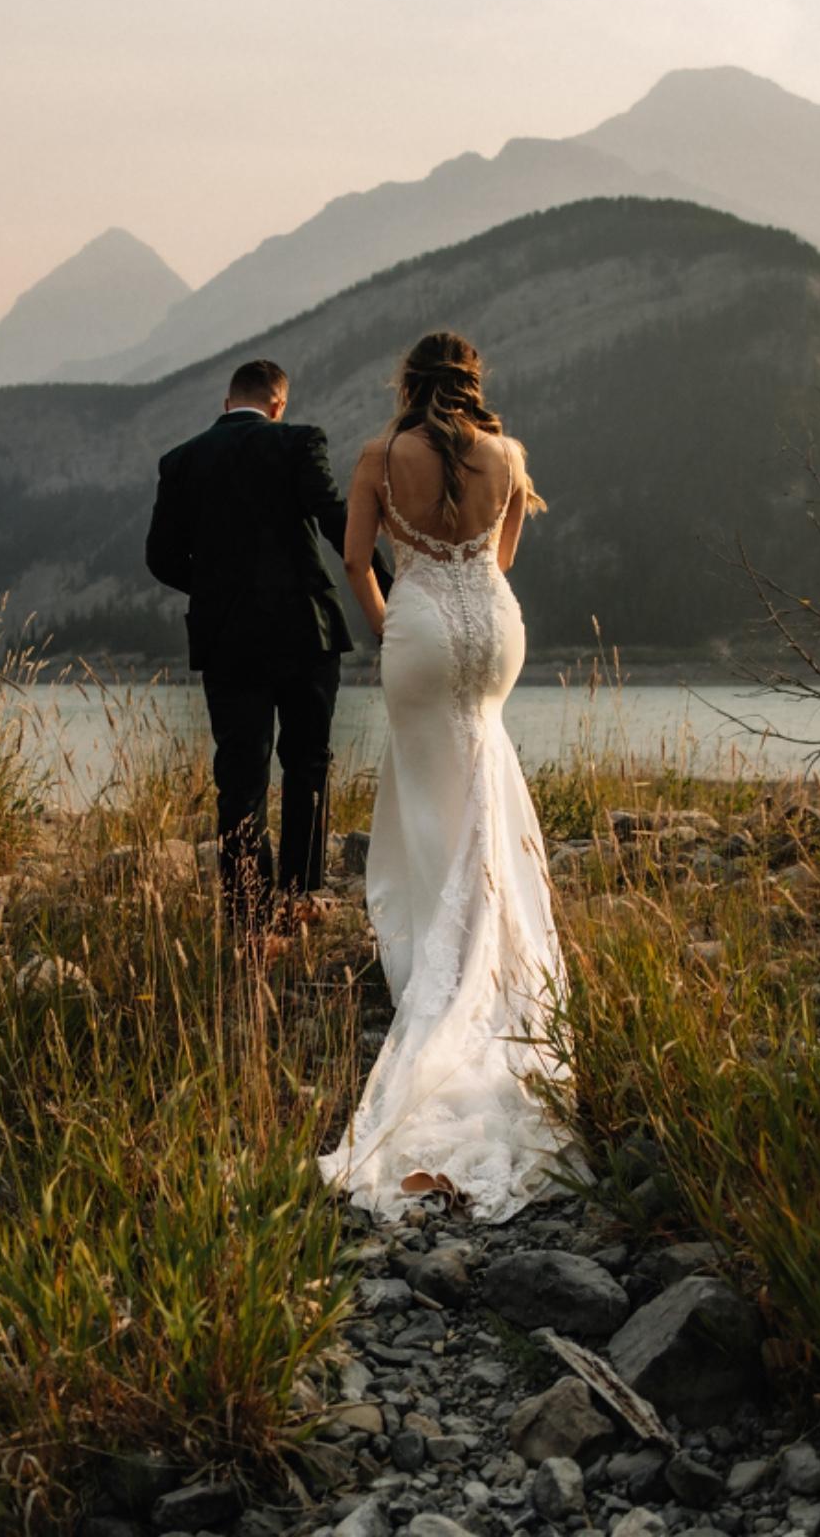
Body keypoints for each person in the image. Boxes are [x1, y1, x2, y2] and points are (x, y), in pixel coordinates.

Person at [317, 330, 581, 1221]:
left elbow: (356, 561)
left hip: (424, 625)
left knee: (431, 799)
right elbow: (499, 562)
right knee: (484, 770)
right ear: (474, 384)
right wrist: (464, 593)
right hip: (495, 631)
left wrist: (398, 618)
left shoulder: (378, 455)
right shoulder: (508, 455)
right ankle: (495, 951)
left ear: (409, 381)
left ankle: (441, 957)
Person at [143, 358, 371, 933]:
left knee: (240, 777)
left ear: (227, 404)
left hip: (228, 640)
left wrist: (220, 587)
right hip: (306, 632)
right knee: (307, 763)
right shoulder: (298, 442)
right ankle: (300, 898)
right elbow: (335, 520)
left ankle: (247, 918)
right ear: (279, 405)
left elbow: (161, 558)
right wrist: (392, 589)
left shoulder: (182, 461)